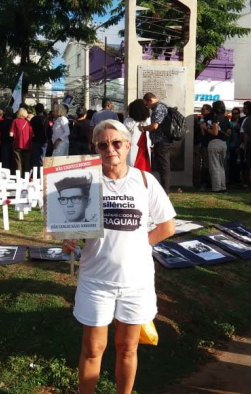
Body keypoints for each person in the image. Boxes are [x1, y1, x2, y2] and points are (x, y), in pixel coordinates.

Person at [62, 119, 176, 394]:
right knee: (92, 348)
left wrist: (139, 244)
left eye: (116, 143)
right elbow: (71, 224)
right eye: (103, 144)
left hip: (136, 282)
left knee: (128, 347)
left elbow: (167, 226)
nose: (110, 149)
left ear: (128, 145)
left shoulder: (145, 181)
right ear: (95, 148)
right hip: (95, 280)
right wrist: (68, 238)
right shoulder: (81, 180)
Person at [140, 93, 172, 193]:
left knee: (164, 167)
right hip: (160, 141)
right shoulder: (159, 107)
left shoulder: (159, 108)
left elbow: (154, 126)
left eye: (146, 104)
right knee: (162, 167)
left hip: (162, 141)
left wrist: (143, 128)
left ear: (150, 100)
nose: (147, 107)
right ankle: (164, 189)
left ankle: (165, 191)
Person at [207, 100, 230, 193]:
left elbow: (215, 132)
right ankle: (223, 186)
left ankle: (216, 188)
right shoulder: (226, 118)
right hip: (223, 143)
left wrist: (207, 129)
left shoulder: (215, 118)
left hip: (214, 143)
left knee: (214, 166)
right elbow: (229, 132)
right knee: (221, 166)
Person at [123, 99, 151, 171]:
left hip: (133, 147)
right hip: (144, 149)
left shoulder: (128, 121)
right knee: (144, 169)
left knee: (133, 168)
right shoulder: (148, 120)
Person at [11, 108, 33, 173]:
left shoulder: (15, 121)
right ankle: (26, 177)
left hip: (17, 144)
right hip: (27, 145)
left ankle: (19, 177)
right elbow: (32, 134)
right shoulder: (28, 122)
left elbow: (11, 134)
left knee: (18, 161)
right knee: (26, 162)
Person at [30, 104, 48, 169]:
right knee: (43, 158)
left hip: (35, 140)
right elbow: (49, 130)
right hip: (44, 140)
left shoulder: (33, 119)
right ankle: (42, 172)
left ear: (36, 110)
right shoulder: (46, 119)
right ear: (43, 110)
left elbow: (31, 129)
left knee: (35, 158)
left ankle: (36, 173)